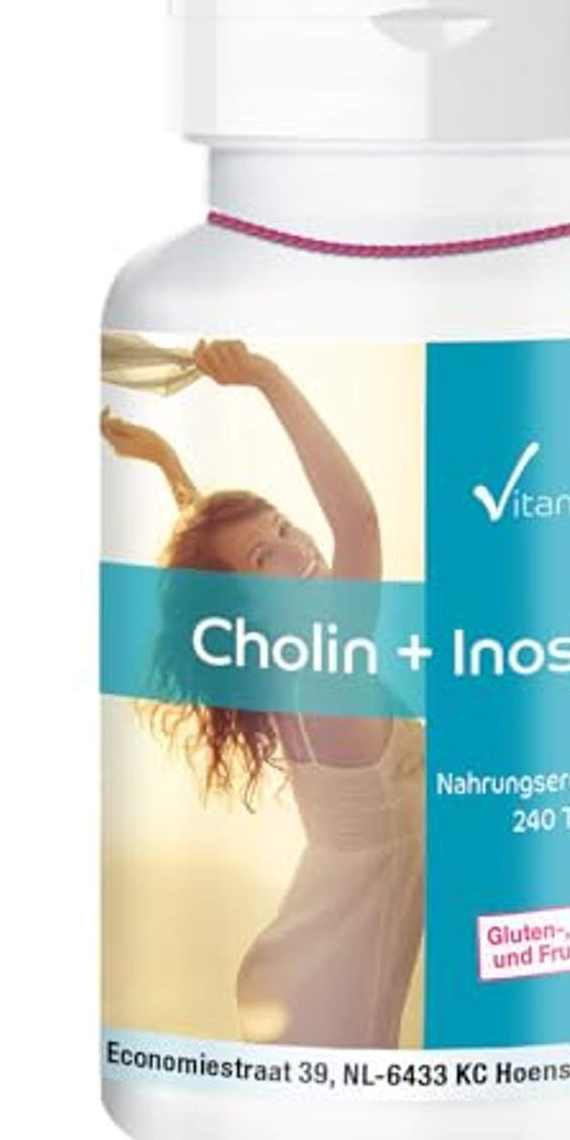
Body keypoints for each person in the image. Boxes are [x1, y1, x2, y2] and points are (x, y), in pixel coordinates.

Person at [101, 340, 422, 1048]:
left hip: (316, 964)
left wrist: (167, 464)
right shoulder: (325, 670)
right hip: (336, 991)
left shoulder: (272, 662)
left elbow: (224, 572)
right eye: (263, 556)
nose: (296, 549)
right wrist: (266, 378)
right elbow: (358, 521)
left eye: (282, 525)